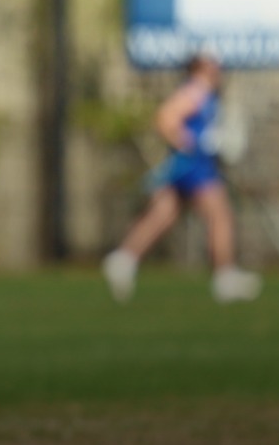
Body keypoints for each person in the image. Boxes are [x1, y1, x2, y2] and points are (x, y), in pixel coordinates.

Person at [104, 53, 262, 303]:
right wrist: (194, 142)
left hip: (193, 165)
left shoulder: (206, 94)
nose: (218, 70)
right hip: (194, 167)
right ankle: (225, 277)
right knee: (220, 215)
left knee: (164, 213)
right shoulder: (196, 91)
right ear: (201, 68)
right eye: (213, 66)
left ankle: (124, 259)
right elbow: (165, 118)